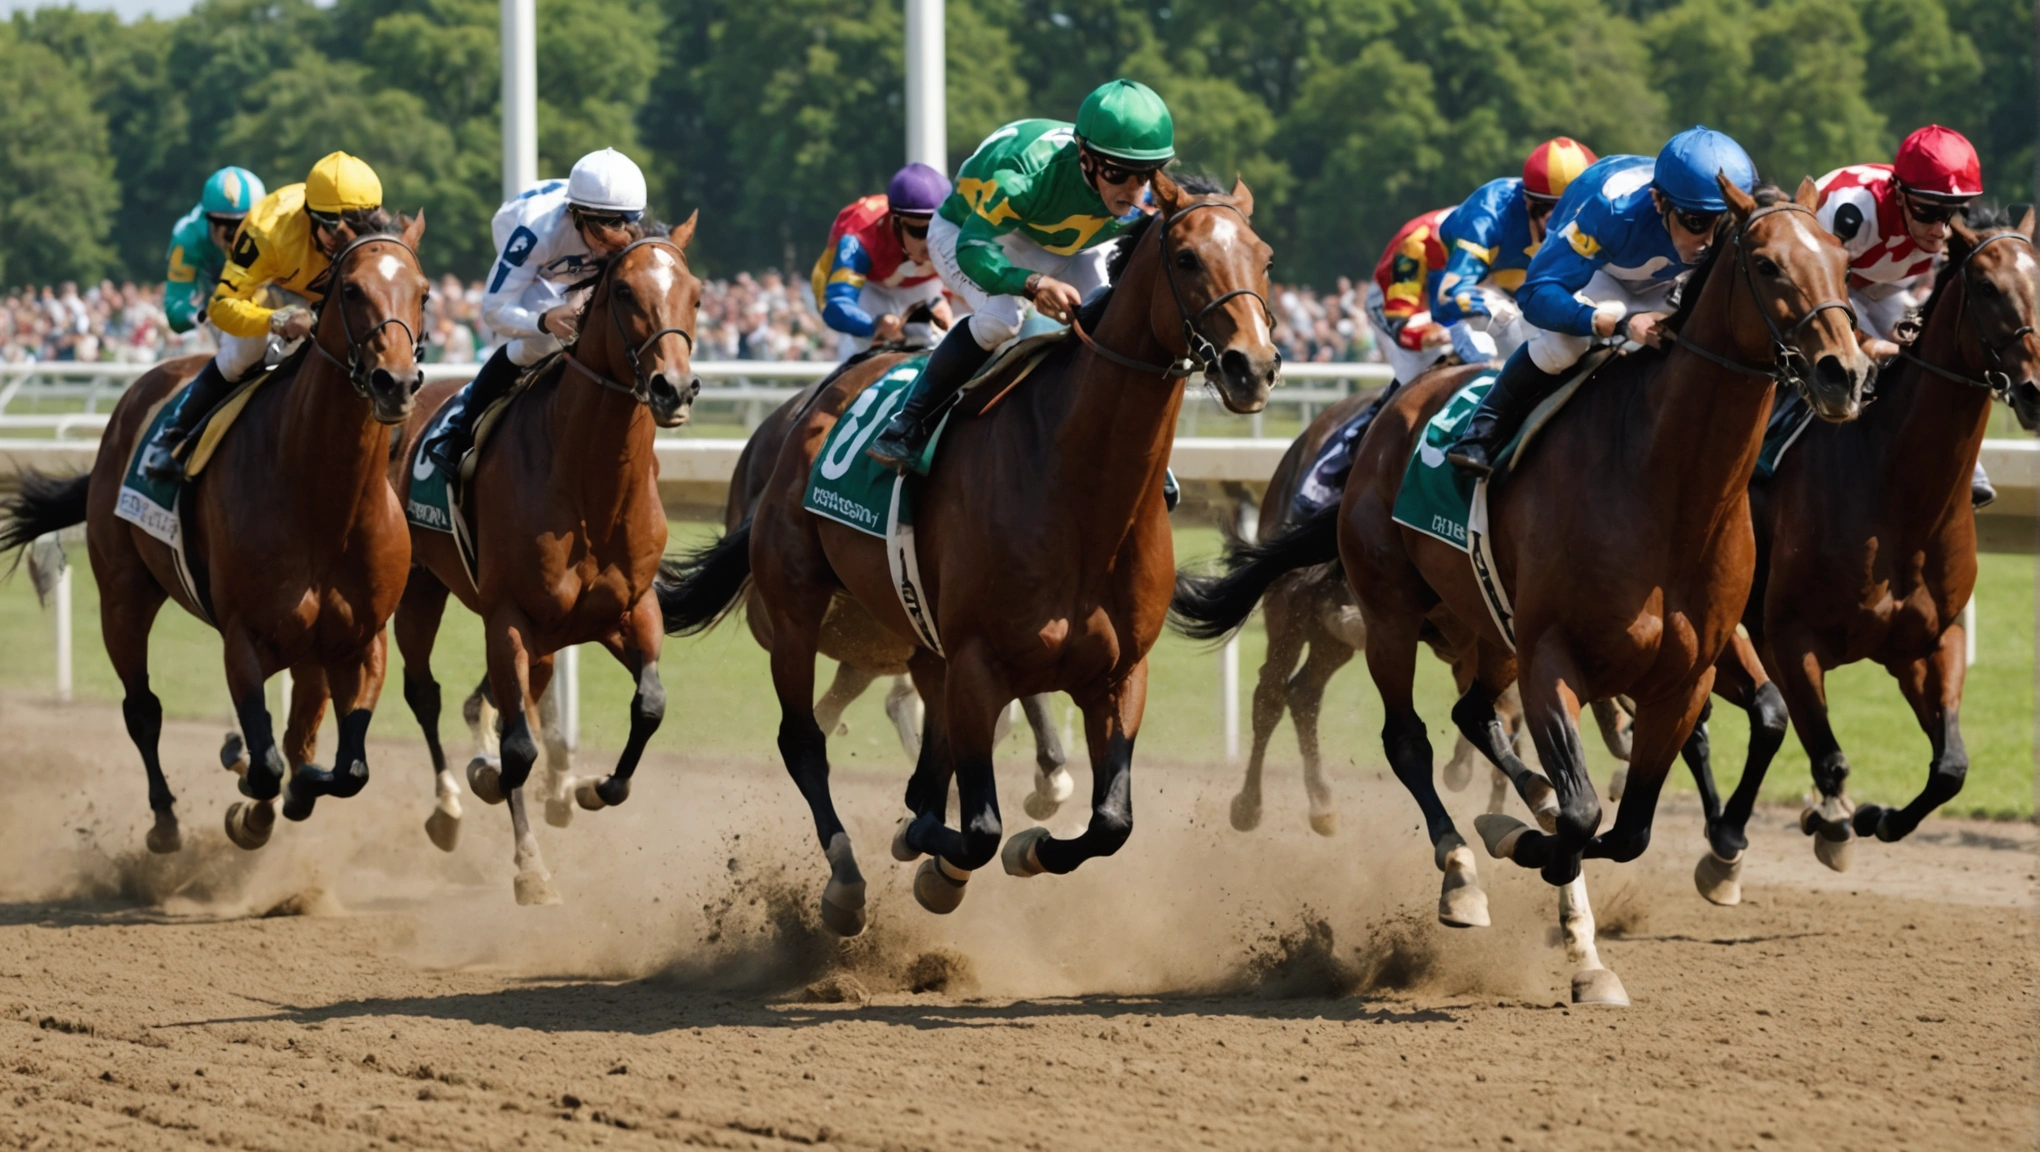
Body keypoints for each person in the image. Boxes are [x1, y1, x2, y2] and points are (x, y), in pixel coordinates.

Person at [865, 78, 1175, 469]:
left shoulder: (1143, 195)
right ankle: (908, 424)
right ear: (1085, 156)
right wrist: (1031, 283)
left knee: (1111, 321)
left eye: (1145, 174)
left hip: (1061, 240)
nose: (1133, 191)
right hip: (971, 232)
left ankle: (1132, 448)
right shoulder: (1024, 176)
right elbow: (973, 248)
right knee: (1001, 318)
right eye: (1118, 173)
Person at [1445, 127, 1758, 476]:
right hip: (1604, 276)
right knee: (1564, 344)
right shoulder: (1608, 211)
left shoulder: (1718, 210)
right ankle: (1485, 428)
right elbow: (1535, 294)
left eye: (1724, 221)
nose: (1710, 240)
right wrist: (1612, 324)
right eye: (1697, 222)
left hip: (1672, 282)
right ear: (1659, 201)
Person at [141, 152, 387, 482]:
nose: (342, 237)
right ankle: (171, 436)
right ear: (308, 214)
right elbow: (221, 307)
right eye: (331, 226)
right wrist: (278, 320)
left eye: (355, 226)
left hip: (332, 299)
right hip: (270, 289)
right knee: (245, 352)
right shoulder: (265, 230)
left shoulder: (380, 232)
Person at [425, 148, 650, 473]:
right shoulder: (533, 233)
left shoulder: (622, 232)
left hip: (569, 261)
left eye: (622, 225)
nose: (610, 241)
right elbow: (493, 310)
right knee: (543, 342)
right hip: (533, 262)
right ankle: (459, 432)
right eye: (602, 227)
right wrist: (544, 320)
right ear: (576, 215)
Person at [1814, 124, 1995, 505]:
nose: (1939, 229)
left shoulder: (1942, 222)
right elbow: (1818, 296)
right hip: (1825, 285)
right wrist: (1863, 341)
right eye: (1928, 212)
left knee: (1922, 363)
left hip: (1883, 287)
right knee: (1846, 363)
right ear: (1898, 192)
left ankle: (1964, 467)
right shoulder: (1852, 212)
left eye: (1951, 213)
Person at [1432, 137, 1599, 362]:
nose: (1568, 225)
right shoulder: (1487, 216)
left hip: (1533, 287)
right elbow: (1450, 294)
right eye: (1557, 215)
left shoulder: (1600, 211)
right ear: (1529, 203)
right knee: (1512, 331)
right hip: (1481, 289)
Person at [812, 163, 954, 358]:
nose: (931, 243)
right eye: (920, 231)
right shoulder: (860, 236)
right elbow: (835, 305)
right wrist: (874, 325)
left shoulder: (959, 225)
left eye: (940, 229)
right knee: (870, 342)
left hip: (921, 284)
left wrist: (946, 296)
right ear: (895, 222)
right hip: (870, 286)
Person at [164, 166, 266, 335]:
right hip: (217, 317)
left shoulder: (275, 229)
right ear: (208, 218)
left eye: (243, 222)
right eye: (222, 223)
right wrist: (201, 316)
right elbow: (175, 305)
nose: (233, 233)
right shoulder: (188, 236)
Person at [1362, 207, 1456, 385]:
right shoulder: (1415, 244)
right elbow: (1400, 323)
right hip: (1392, 303)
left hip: (1442, 303)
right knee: (1418, 376)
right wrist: (1428, 337)